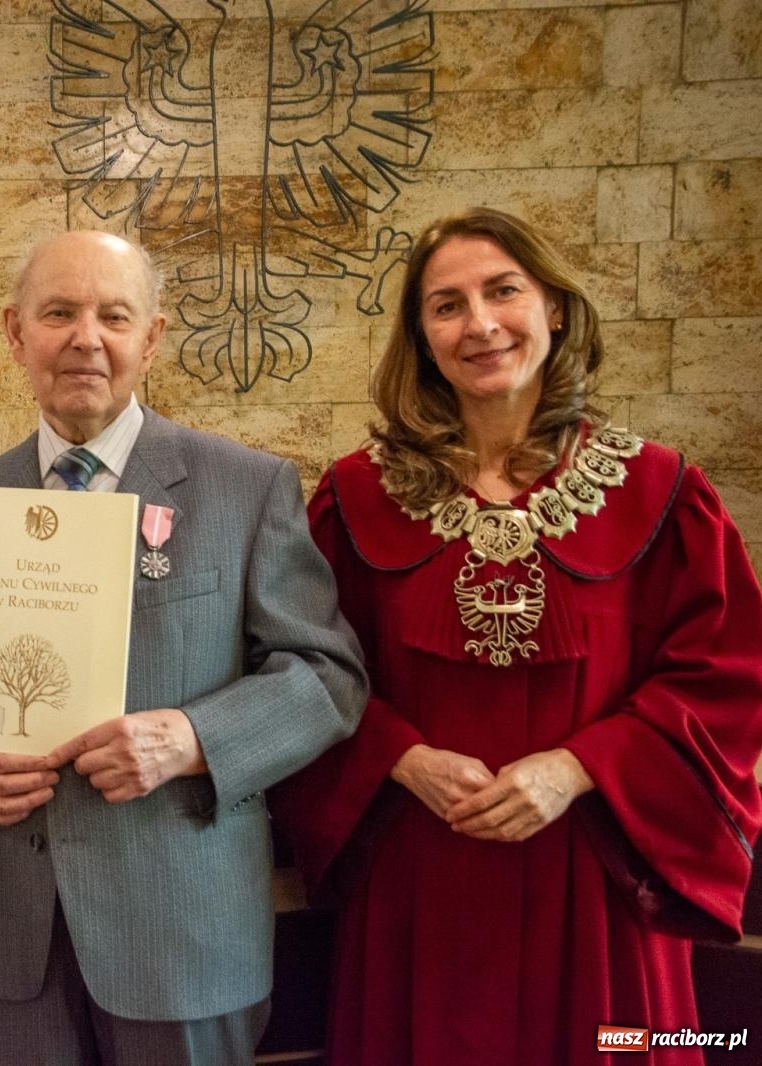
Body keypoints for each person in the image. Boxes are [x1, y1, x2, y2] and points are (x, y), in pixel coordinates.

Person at [270, 207, 762, 1064]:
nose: (481, 324)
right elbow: (305, 671)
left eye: (504, 292)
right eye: (447, 305)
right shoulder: (352, 500)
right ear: (421, 336)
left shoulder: (663, 493)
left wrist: (575, 769)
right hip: (418, 872)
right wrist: (400, 757)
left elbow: (726, 678)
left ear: (556, 308)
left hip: (604, 874)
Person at [0, 230, 368, 1065]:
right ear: (17, 334)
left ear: (150, 339)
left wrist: (193, 740)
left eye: (114, 315)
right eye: (59, 313)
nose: (86, 337)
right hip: (11, 938)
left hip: (182, 930)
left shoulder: (246, 488)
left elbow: (327, 678)